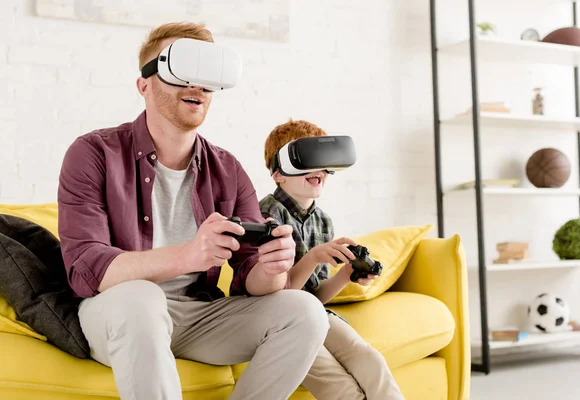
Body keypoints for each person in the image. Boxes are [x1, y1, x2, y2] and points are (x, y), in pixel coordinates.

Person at [57, 22, 329, 400]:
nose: (195, 85)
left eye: (204, 75)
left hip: (199, 317)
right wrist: (188, 255)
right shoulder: (94, 153)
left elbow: (253, 280)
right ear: (144, 85)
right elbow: (88, 268)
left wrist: (272, 267)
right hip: (118, 313)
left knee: (304, 311)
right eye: (180, 72)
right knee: (142, 298)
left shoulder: (228, 169)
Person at [259, 119, 406, 400]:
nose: (319, 170)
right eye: (308, 160)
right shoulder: (267, 214)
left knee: (370, 361)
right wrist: (313, 258)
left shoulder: (323, 221)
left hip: (315, 314)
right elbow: (277, 297)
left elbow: (316, 298)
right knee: (343, 388)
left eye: (324, 162)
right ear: (279, 173)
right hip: (279, 322)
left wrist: (346, 273)